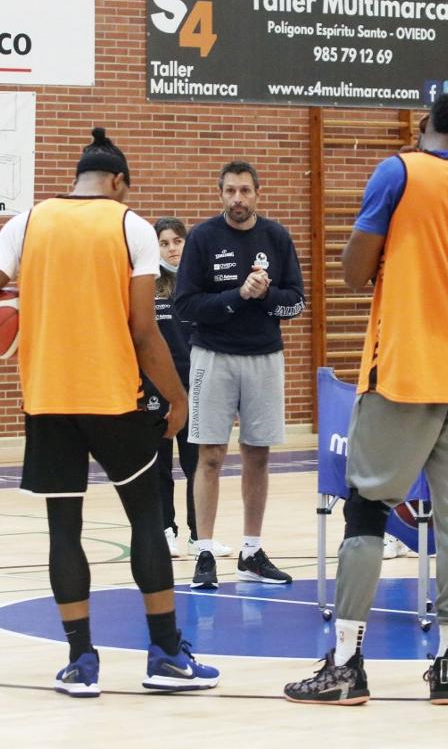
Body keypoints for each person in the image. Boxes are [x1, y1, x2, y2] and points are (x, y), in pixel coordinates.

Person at [0, 127, 219, 697]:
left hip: (47, 400)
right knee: (147, 519)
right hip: (112, 398)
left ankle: (80, 662)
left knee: (63, 530)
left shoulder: (27, 223)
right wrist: (177, 396)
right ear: (118, 182)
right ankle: (166, 655)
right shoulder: (131, 226)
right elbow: (144, 332)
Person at [283, 92, 448, 705]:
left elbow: (353, 273)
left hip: (403, 373)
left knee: (365, 511)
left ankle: (345, 666)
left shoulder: (398, 171)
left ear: (425, 125)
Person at [175, 160, 305, 590]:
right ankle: (206, 549)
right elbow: (185, 306)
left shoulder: (277, 237)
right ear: (220, 193)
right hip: (212, 357)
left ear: (257, 193)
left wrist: (266, 295)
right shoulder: (202, 238)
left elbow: (296, 303)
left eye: (245, 190)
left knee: (258, 455)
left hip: (264, 357)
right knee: (209, 455)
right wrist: (236, 296)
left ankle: (251, 551)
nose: (237, 199)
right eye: (230, 191)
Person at [152, 217, 201, 558]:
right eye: (164, 242)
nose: (172, 248)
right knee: (159, 465)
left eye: (177, 241)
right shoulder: (147, 285)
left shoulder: (198, 281)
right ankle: (165, 530)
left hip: (196, 384)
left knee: (197, 464)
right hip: (156, 387)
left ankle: (200, 535)